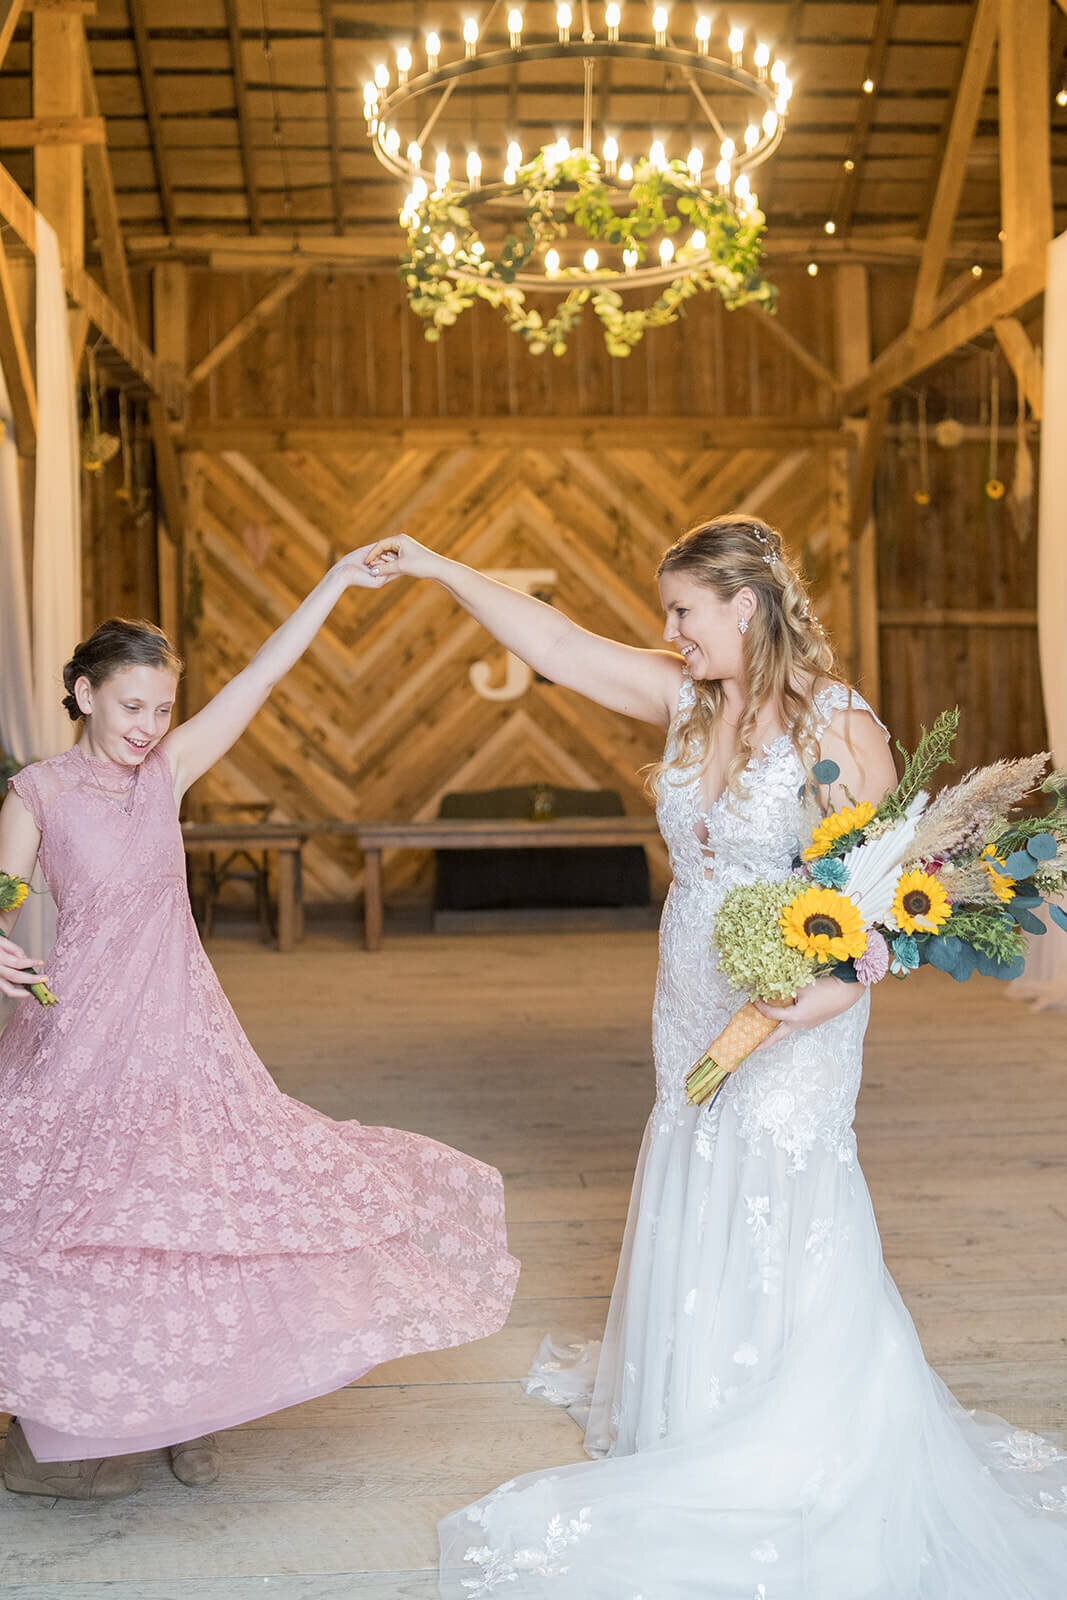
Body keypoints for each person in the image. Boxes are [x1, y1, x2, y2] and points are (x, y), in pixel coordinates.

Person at [364, 518, 1067, 1597]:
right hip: (690, 984)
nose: (669, 632)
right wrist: (438, 567)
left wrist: (815, 1001)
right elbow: (555, 644)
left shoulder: (834, 724)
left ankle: (780, 1414)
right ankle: (691, 1396)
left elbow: (881, 904)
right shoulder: (684, 696)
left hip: (792, 1000)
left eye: (683, 611)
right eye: (665, 615)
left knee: (778, 1171)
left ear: (744, 606)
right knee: (696, 1145)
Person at [0, 547, 518, 1501]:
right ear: (82, 695)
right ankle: (80, 1424)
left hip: (182, 1027)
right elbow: (1, 895)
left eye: (161, 711)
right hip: (79, 1034)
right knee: (94, 1223)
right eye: (130, 709)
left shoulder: (169, 772)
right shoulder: (37, 791)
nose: (149, 730)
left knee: (203, 1215)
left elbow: (261, 675)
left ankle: (191, 1415)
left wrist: (331, 584)